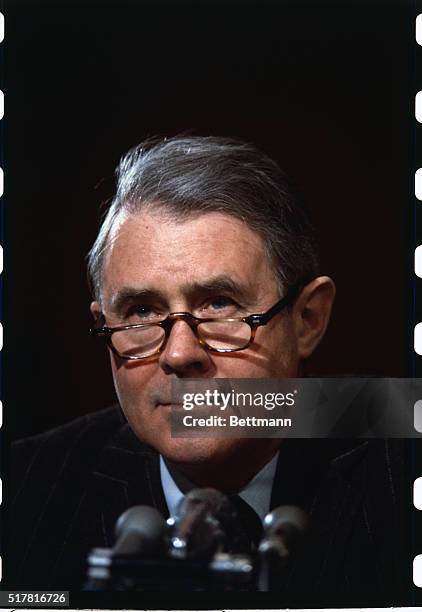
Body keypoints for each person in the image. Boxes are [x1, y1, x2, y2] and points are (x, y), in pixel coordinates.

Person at [6, 137, 410, 604]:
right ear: (104, 325)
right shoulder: (23, 489)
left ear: (307, 320)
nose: (179, 354)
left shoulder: (400, 449)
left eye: (219, 304)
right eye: (141, 311)